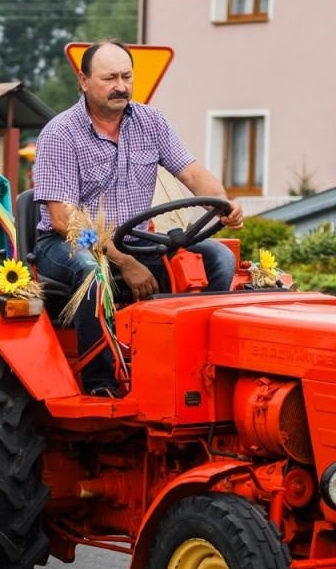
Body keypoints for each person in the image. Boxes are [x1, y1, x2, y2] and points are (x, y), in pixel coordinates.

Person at [31, 40, 242, 395]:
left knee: (217, 258)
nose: (121, 86)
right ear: (83, 81)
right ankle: (100, 384)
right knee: (90, 271)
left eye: (126, 76)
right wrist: (123, 262)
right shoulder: (60, 133)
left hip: (138, 242)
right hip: (69, 245)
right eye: (109, 78)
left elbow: (191, 172)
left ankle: (199, 370)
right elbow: (64, 220)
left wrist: (223, 202)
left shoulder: (150, 121)